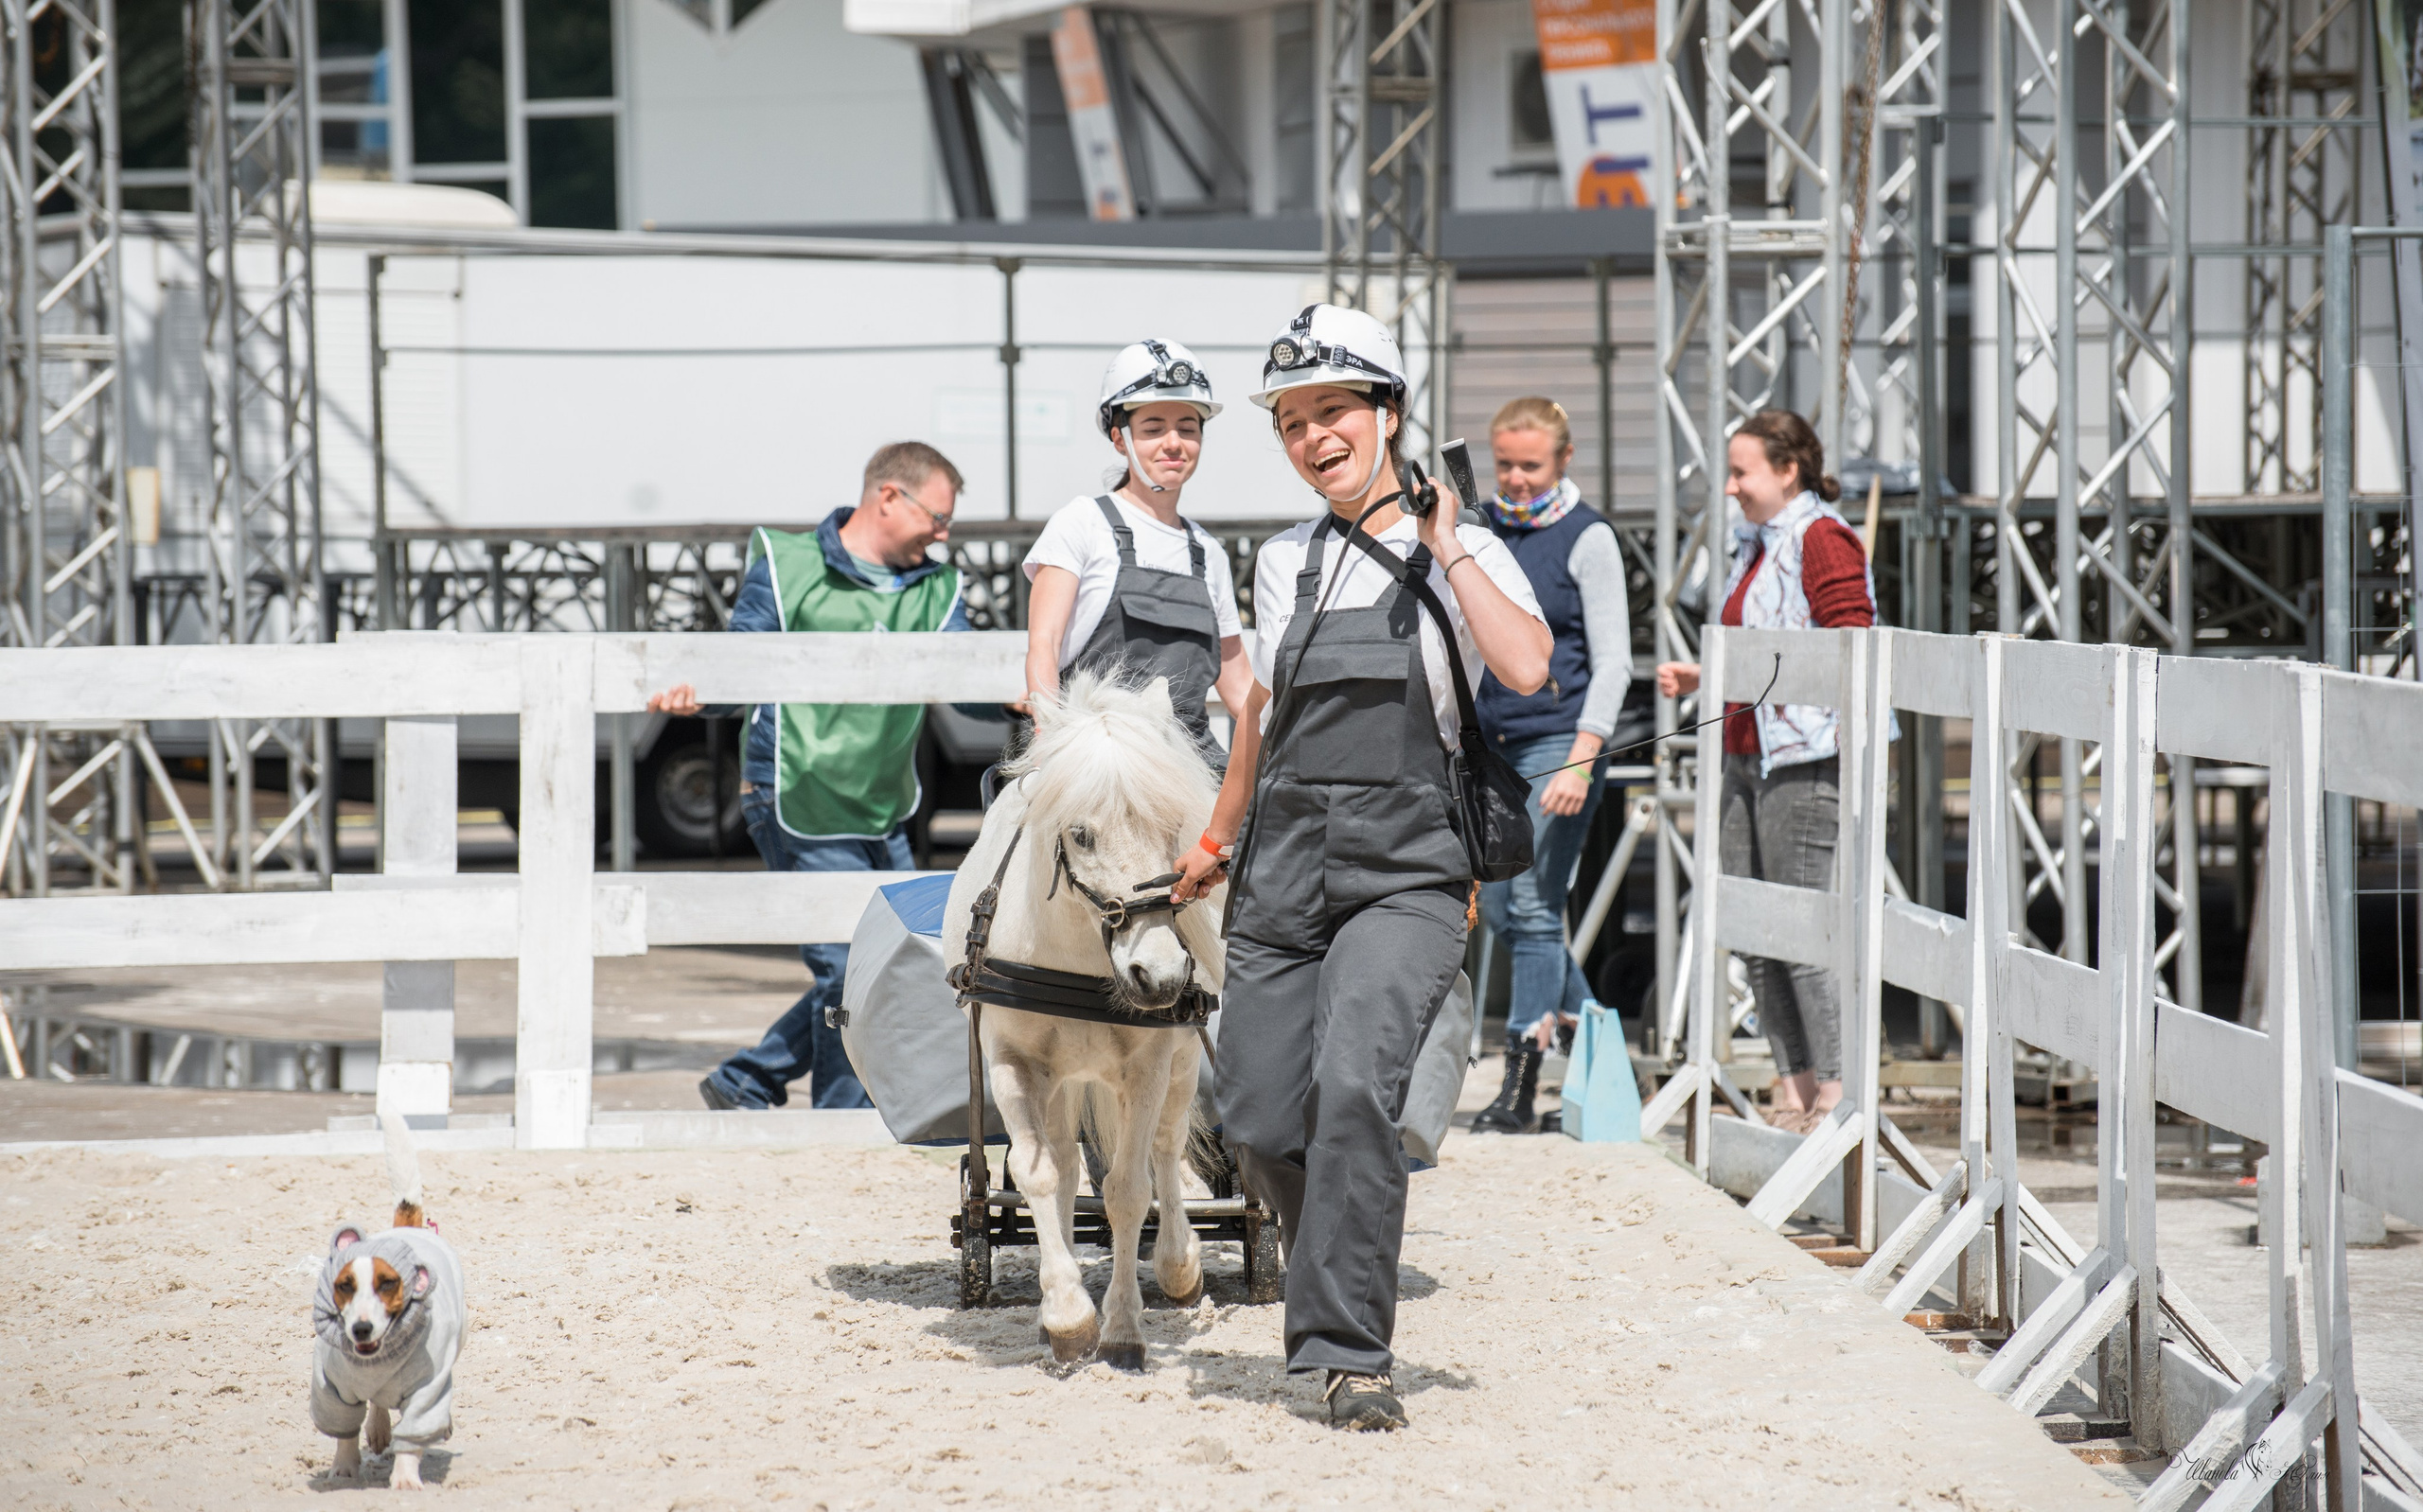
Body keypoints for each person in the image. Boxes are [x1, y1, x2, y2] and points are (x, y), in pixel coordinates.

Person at [1169, 305, 1552, 1431]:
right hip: (1283, 855)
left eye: (1331, 410)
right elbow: (1260, 716)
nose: (1311, 436)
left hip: (1408, 866)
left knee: (1352, 1092)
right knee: (1254, 1115)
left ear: (1388, 412)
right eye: (1290, 421)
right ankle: (1326, 1247)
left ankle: (1349, 1352)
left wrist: (1442, 545)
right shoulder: (1284, 557)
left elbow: (1526, 666)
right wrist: (1215, 838)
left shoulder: (1465, 545)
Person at [650, 442, 975, 1112]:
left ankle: (750, 1078)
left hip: (881, 804)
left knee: (898, 960)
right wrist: (698, 696)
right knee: (842, 968)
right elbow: (745, 658)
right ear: (889, 496)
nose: (944, 535)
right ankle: (842, 1123)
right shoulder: (786, 560)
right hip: (792, 792)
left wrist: (1014, 691)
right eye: (937, 518)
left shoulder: (938, 587)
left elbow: (967, 678)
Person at [1654, 410, 1877, 1134]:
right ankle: (1795, 1089)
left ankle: (1837, 1095)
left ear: (1788, 470)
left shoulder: (1822, 539)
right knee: (1754, 929)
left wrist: (1748, 675)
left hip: (1803, 756)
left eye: (1743, 471)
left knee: (1802, 930)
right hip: (1748, 750)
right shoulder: (1758, 544)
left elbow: (1852, 643)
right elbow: (1766, 642)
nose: (1732, 486)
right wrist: (1710, 674)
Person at [1467, 396, 1636, 1135]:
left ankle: (1521, 1084)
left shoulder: (1588, 537)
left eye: (1530, 465)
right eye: (1504, 463)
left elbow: (1615, 663)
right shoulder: (1480, 526)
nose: (1515, 478)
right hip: (1491, 745)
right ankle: (1594, 1029)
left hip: (1558, 743)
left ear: (1564, 461)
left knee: (1533, 907)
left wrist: (1581, 759)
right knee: (1503, 907)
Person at [1020, 339, 1253, 760]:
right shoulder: (1082, 523)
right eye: (1152, 429)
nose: (1173, 443)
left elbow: (1238, 685)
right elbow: (1044, 643)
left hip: (1190, 764)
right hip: (1098, 763)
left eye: (1188, 427)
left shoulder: (1208, 553)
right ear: (1119, 439)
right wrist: (1050, 740)